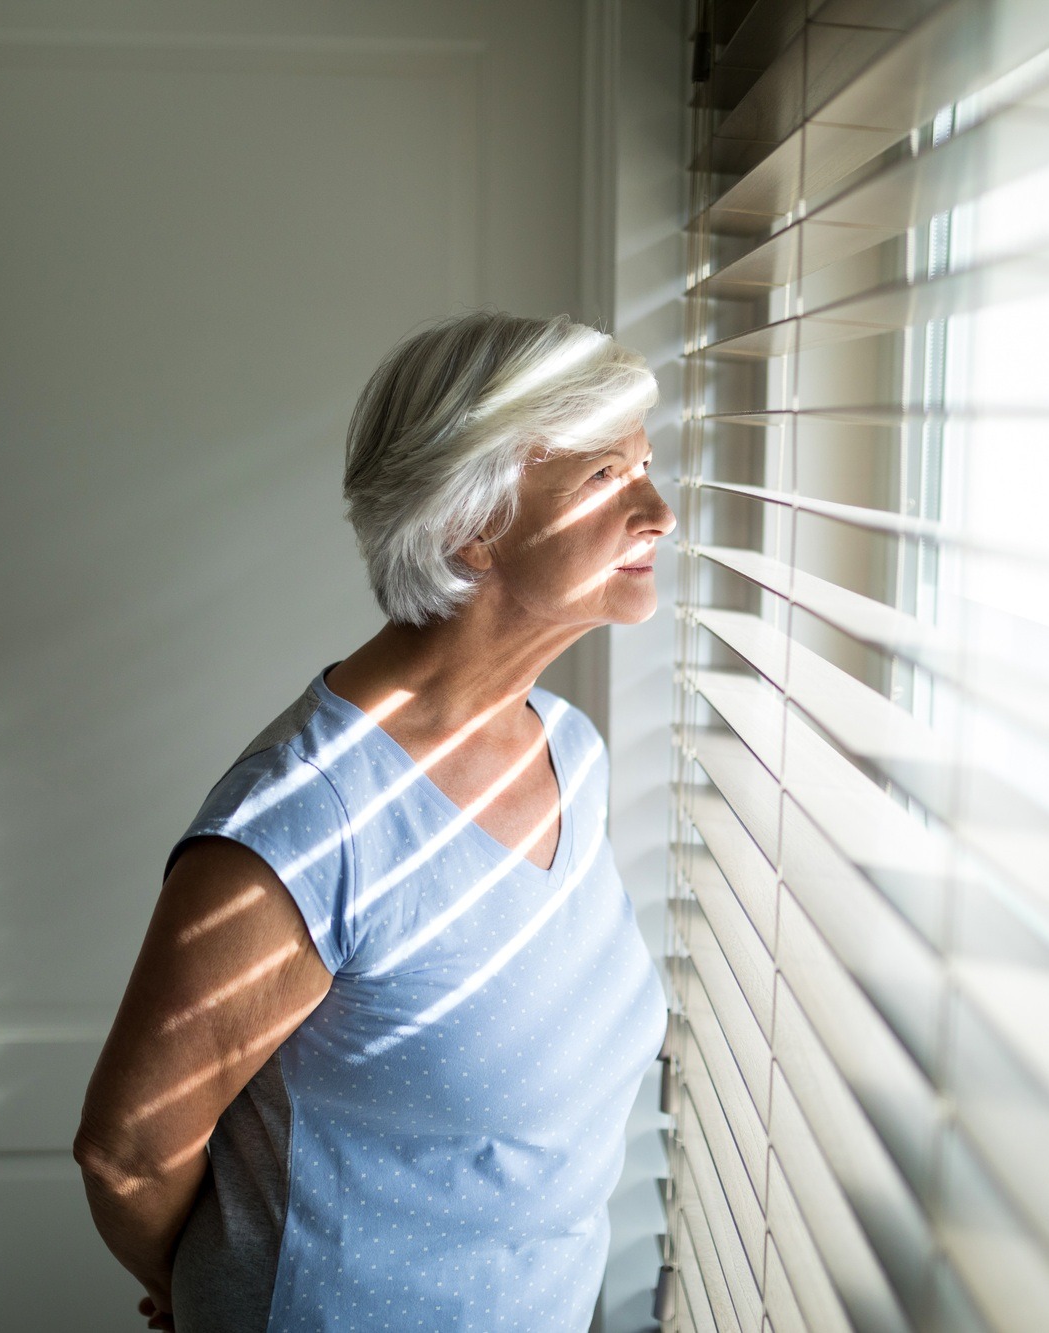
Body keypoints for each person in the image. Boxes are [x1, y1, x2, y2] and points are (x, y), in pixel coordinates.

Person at [73, 311, 675, 1331]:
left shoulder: (568, 750)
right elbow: (127, 1149)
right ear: (468, 527)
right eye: (603, 479)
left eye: (647, 468)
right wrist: (210, 1298)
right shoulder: (307, 823)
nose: (660, 511)